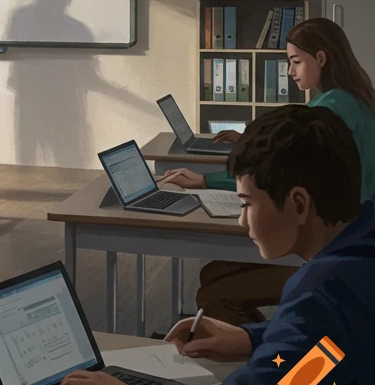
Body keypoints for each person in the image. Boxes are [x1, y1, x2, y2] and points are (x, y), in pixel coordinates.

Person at [57, 105, 375, 385]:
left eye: (246, 203)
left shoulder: (321, 294)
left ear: (298, 204)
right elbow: (330, 350)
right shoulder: (359, 258)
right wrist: (252, 339)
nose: (241, 220)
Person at [160, 18, 375, 325]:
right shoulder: (355, 99)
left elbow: (275, 176)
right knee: (214, 272)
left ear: (321, 58)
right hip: (356, 238)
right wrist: (253, 141)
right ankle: (260, 340)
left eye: (296, 62)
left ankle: (260, 345)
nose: (290, 72)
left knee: (214, 294)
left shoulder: (328, 111)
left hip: (333, 248)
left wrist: (205, 180)